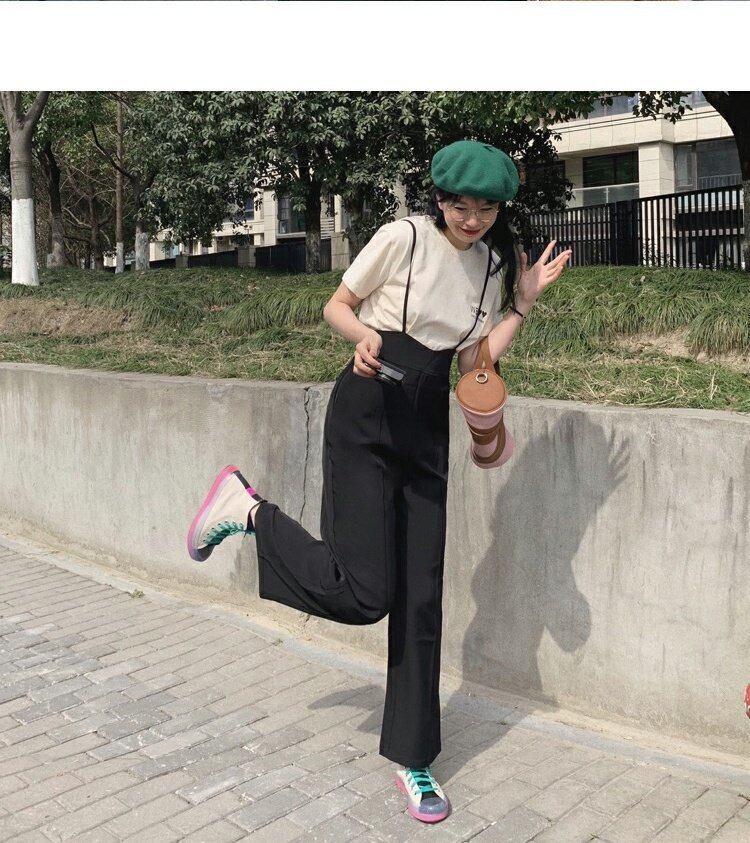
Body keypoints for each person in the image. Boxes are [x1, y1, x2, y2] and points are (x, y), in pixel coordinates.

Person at [186, 139, 572, 824]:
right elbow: (338, 304)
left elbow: (473, 361)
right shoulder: (405, 239)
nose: (473, 219)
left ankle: (414, 756)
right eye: (461, 205)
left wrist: (521, 304)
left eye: (487, 208)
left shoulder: (490, 266)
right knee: (364, 594)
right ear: (439, 199)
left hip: (426, 428)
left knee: (422, 598)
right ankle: (248, 511)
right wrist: (361, 337)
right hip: (367, 409)